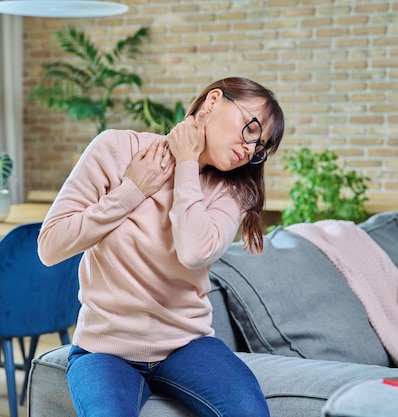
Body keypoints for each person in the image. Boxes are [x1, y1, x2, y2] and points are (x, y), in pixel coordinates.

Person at [37, 76, 285, 417]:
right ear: (213, 102)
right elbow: (50, 247)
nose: (250, 149)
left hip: (185, 346)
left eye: (261, 147)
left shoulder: (234, 192)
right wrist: (132, 191)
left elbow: (194, 252)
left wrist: (187, 164)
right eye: (251, 128)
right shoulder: (116, 148)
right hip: (104, 349)